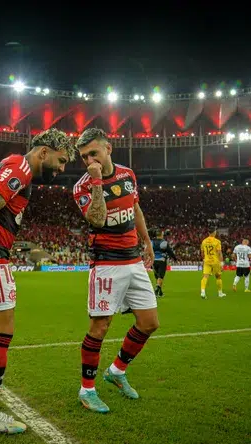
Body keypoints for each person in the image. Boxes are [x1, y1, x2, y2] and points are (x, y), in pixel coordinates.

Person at [0, 128, 75, 434]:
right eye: (60, 161)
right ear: (44, 152)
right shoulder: (20, 166)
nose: (61, 170)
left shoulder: (14, 167)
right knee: (1, 332)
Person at [72, 128, 157, 413]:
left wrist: (146, 241)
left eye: (93, 153)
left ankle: (117, 371)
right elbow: (96, 219)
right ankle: (87, 390)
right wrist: (96, 180)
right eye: (84, 157)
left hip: (133, 259)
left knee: (149, 322)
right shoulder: (83, 186)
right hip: (106, 262)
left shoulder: (128, 175)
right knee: (100, 327)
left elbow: (135, 210)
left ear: (108, 149)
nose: (88, 160)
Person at [200, 227, 226, 299]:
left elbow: (202, 253)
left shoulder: (204, 241)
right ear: (214, 232)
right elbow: (219, 253)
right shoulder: (217, 241)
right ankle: (220, 293)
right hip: (215, 261)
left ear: (208, 233)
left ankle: (203, 292)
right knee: (218, 277)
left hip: (207, 261)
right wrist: (221, 263)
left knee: (205, 276)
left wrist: (204, 259)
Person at [151, 229, 176, 297]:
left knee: (157, 277)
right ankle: (156, 290)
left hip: (154, 261)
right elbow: (170, 251)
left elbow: (149, 251)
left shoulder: (151, 242)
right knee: (161, 276)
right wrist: (175, 258)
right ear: (161, 235)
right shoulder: (164, 242)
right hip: (162, 261)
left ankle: (160, 292)